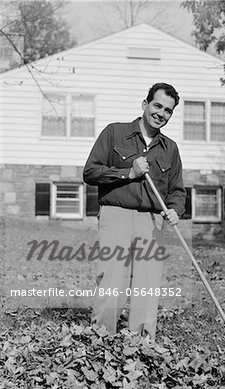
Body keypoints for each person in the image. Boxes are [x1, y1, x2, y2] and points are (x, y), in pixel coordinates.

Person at [83, 82, 186, 340]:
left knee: (147, 285)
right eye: (157, 106)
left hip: (151, 221)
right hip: (115, 213)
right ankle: (102, 338)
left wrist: (175, 210)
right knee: (112, 279)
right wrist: (128, 173)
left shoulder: (170, 149)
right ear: (145, 104)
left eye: (168, 110)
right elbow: (91, 172)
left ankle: (140, 344)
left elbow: (177, 190)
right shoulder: (115, 133)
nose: (161, 113)